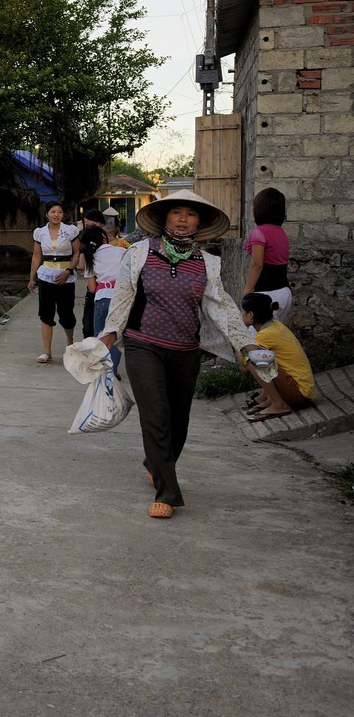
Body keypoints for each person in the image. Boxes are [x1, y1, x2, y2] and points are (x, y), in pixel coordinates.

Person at [96, 190, 253, 519]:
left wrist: (244, 343)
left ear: (200, 222)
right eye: (177, 212)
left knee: (178, 421)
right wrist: (109, 334)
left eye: (191, 214)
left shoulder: (207, 264)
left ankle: (156, 463)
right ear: (164, 218)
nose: (183, 219)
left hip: (185, 351)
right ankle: (167, 491)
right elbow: (123, 297)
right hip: (143, 345)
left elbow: (221, 307)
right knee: (156, 416)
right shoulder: (139, 253)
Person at [239, 292, 315, 420]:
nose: (241, 315)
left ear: (251, 315)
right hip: (303, 391)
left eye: (243, 312)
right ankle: (267, 398)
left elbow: (244, 368)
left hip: (299, 394)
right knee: (261, 357)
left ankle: (278, 404)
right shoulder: (275, 325)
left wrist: (237, 337)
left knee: (252, 360)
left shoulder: (265, 335)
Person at [27, 202, 80, 363]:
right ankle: (47, 351)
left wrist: (69, 271)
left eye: (60, 212)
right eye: (53, 212)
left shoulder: (71, 231)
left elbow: (77, 253)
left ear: (63, 215)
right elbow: (37, 256)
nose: (56, 215)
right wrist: (32, 278)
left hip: (66, 276)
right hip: (46, 275)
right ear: (47, 214)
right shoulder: (40, 233)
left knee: (66, 314)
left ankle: (70, 343)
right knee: (46, 314)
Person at [79, 224, 124, 378]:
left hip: (101, 299)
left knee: (100, 336)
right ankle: (112, 371)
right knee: (115, 337)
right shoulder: (121, 251)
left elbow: (92, 288)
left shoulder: (91, 258)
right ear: (104, 237)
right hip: (120, 299)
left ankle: (101, 371)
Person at [242, 187, 292, 319]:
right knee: (272, 336)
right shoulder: (281, 233)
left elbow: (257, 264)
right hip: (284, 293)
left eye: (255, 204)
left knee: (256, 337)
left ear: (260, 209)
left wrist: (247, 292)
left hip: (267, 295)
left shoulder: (258, 232)